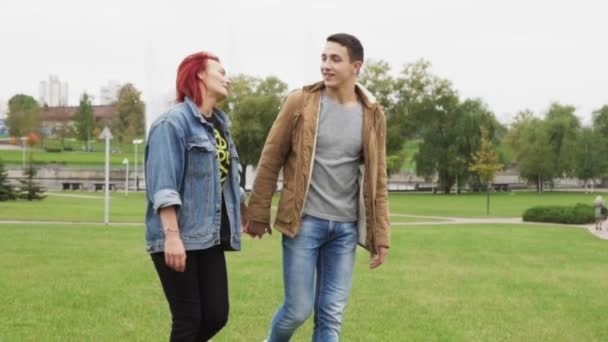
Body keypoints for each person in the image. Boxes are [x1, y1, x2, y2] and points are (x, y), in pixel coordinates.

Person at [247, 33, 391, 342]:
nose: (326, 65)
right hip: (304, 223)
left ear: (356, 67)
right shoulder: (300, 102)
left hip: (345, 229)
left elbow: (378, 178)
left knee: (331, 315)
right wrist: (257, 211)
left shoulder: (372, 114)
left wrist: (381, 235)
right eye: (324, 58)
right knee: (298, 309)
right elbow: (271, 158)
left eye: (335, 59)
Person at [144, 51, 247, 341]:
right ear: (199, 74)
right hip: (178, 235)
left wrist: (242, 204)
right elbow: (163, 185)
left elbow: (221, 178)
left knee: (216, 315)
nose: (227, 78)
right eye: (221, 71)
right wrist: (172, 237)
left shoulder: (219, 125)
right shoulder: (172, 124)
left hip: (209, 235)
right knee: (188, 318)